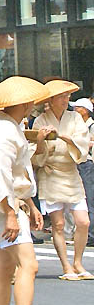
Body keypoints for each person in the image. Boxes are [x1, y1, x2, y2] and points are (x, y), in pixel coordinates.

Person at [0, 76, 47, 305]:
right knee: (28, 265)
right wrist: (10, 212)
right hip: (3, 205)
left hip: (8, 202)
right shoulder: (1, 133)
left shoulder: (7, 129)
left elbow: (15, 175)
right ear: (24, 104)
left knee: (4, 268)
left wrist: (30, 205)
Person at [32, 80, 92, 280]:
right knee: (57, 224)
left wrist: (64, 137)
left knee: (83, 221)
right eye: (61, 96)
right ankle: (66, 265)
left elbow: (82, 143)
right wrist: (41, 140)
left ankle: (78, 261)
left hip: (70, 172)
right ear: (51, 100)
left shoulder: (75, 117)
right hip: (51, 173)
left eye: (67, 96)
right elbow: (36, 155)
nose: (66, 100)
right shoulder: (41, 120)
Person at [70, 97, 94, 247]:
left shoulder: (90, 125)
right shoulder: (78, 124)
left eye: (77, 108)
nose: (74, 110)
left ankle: (91, 234)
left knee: (88, 198)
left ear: (85, 111)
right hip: (81, 162)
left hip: (87, 163)